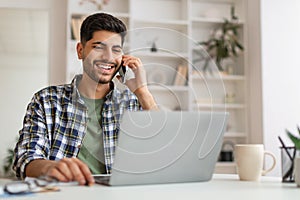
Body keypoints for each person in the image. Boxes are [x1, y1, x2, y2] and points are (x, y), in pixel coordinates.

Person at [13, 13, 157, 186]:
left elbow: (164, 155)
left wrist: (143, 93)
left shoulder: (133, 104)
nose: (108, 57)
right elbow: (25, 158)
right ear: (80, 50)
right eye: (98, 47)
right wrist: (51, 168)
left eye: (116, 50)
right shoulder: (47, 100)